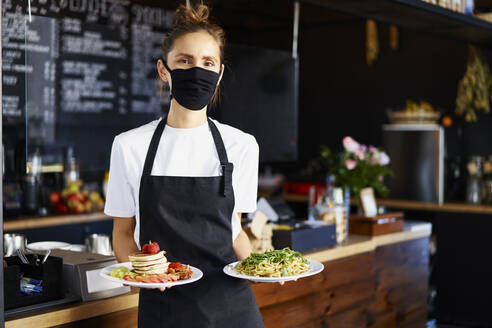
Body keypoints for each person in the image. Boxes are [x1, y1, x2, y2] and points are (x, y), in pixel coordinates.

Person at [104, 3, 265, 328]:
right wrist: (143, 276)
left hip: (232, 307)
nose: (197, 71)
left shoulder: (242, 145)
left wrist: (263, 270)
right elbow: (122, 233)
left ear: (219, 74)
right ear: (164, 69)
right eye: (185, 61)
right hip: (164, 308)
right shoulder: (129, 145)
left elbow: (234, 232)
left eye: (208, 63)